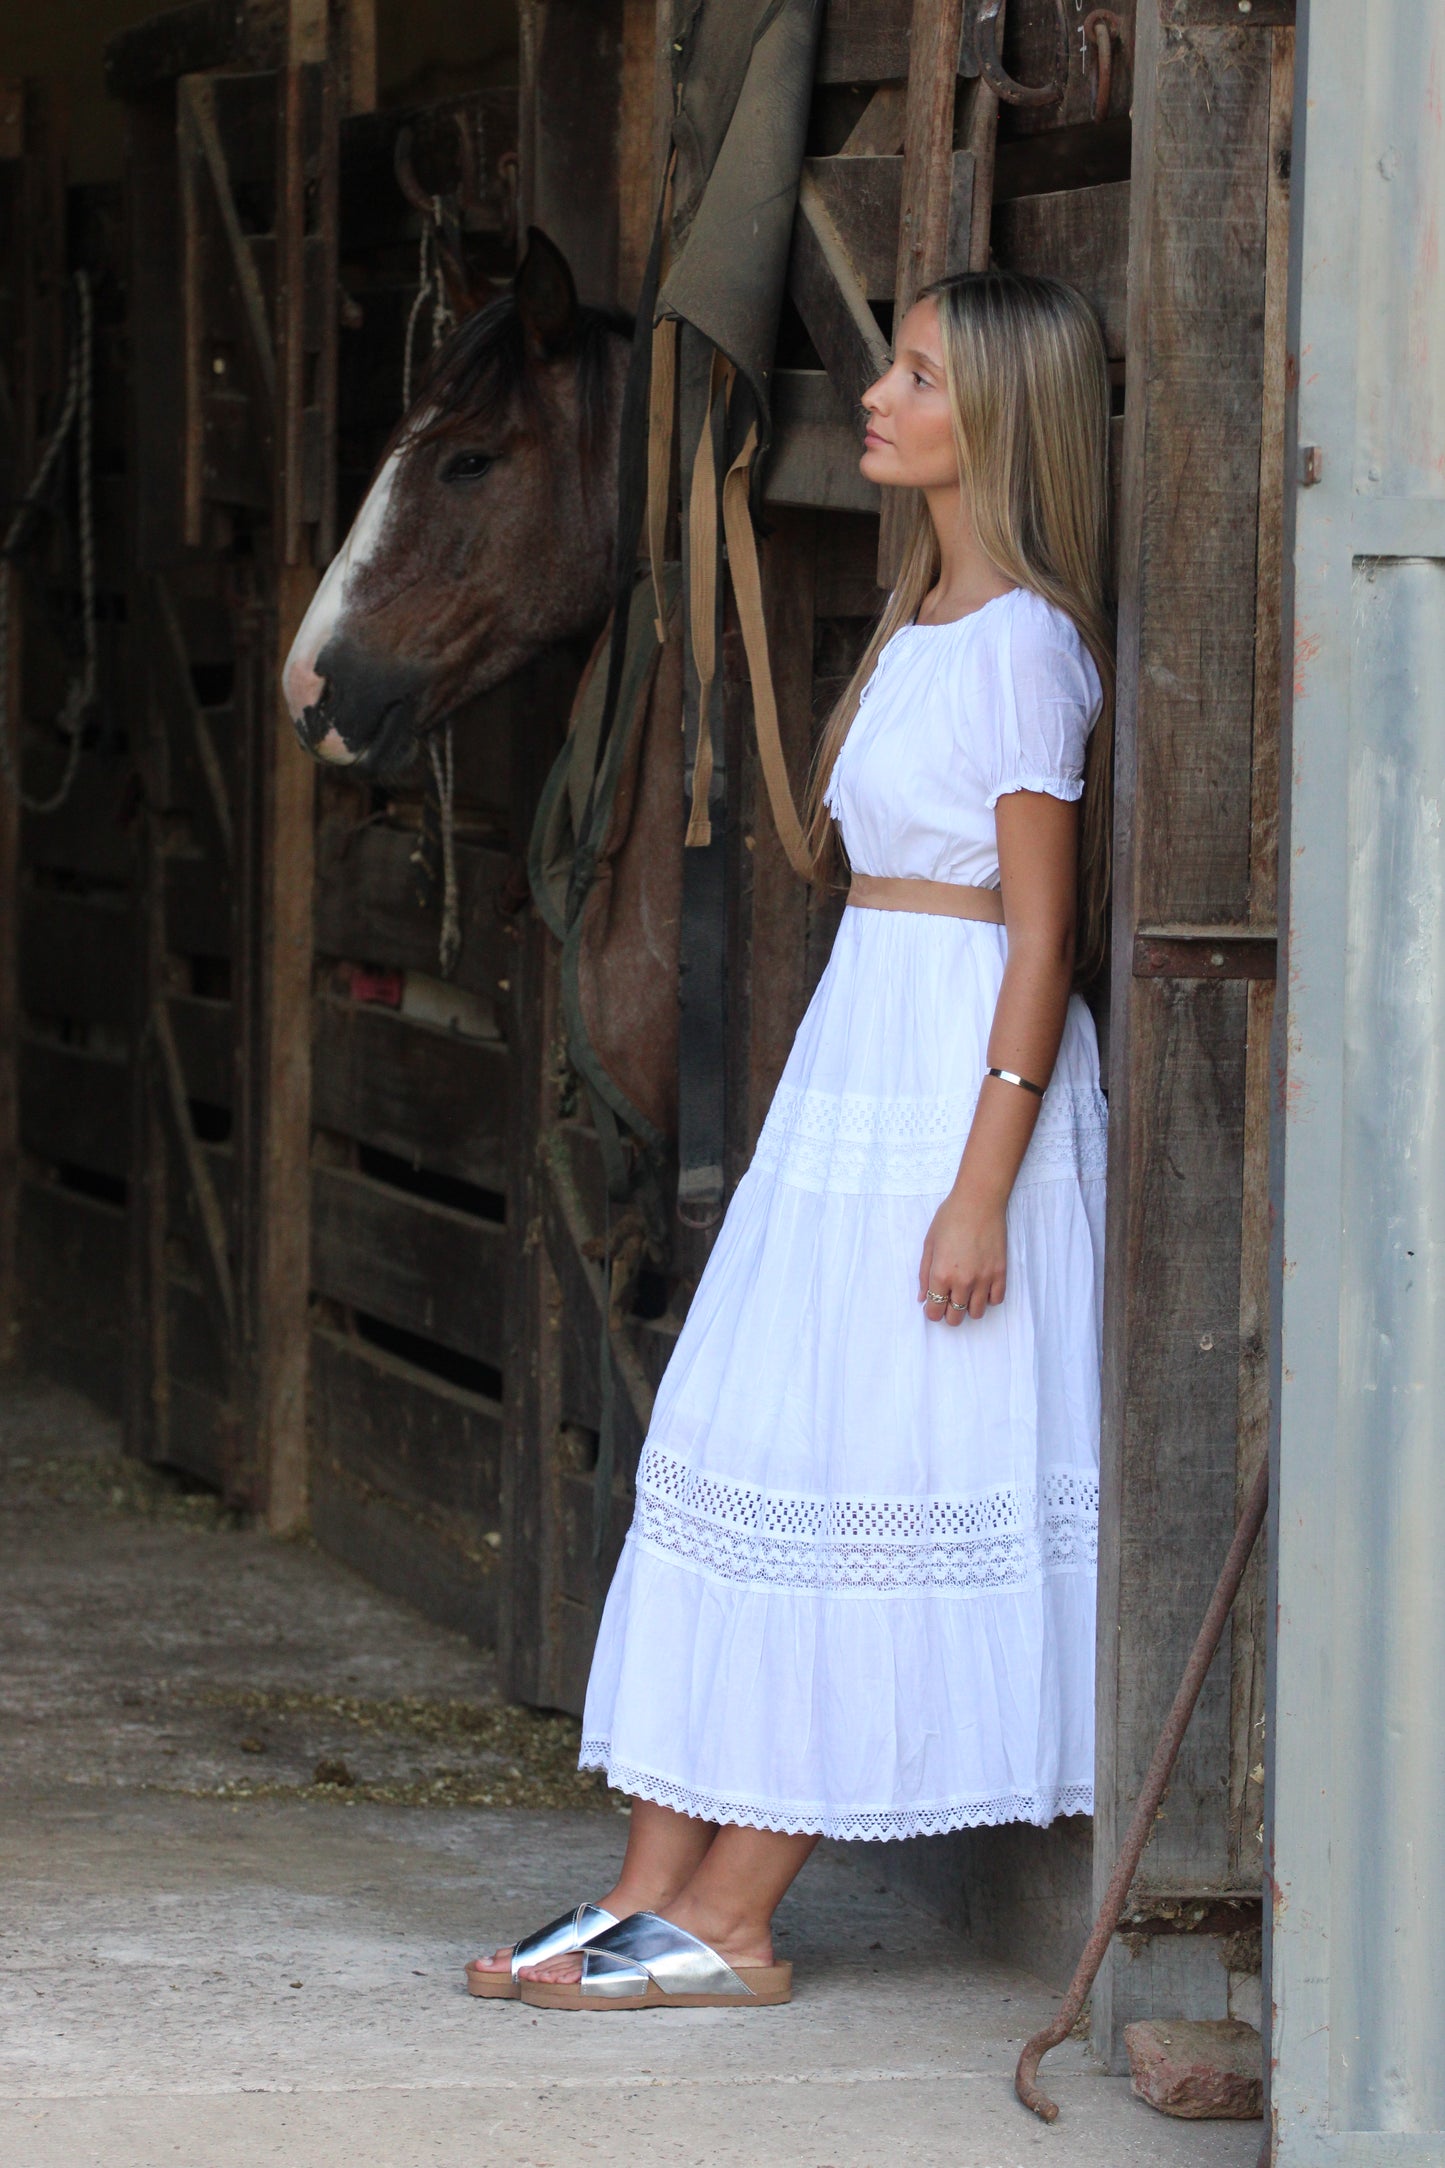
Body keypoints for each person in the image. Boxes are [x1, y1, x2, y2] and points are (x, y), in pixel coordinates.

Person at [467, 268, 1114, 2011]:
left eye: (913, 375)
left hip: (954, 1090)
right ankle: (641, 1884)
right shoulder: (913, 623)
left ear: (997, 417)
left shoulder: (1031, 647)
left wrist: (982, 1188)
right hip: (859, 1065)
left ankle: (741, 1917)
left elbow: (1039, 940)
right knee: (746, 1443)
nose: (877, 398)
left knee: (878, 1475)